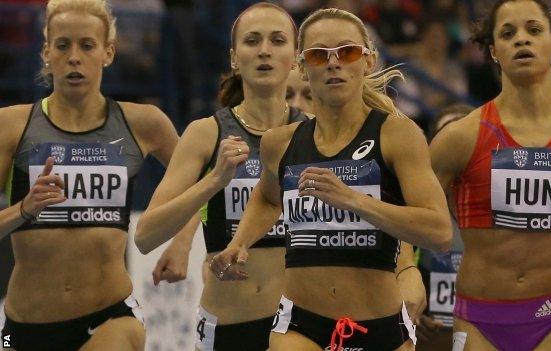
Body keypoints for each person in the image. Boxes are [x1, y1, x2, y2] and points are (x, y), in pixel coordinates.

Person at [210, 8, 452, 351]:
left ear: (368, 61)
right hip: (300, 324)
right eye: (319, 55)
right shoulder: (280, 143)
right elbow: (267, 197)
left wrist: (355, 201)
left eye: (347, 52)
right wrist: (240, 242)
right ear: (301, 66)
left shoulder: (397, 134)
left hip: (379, 328)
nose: (333, 63)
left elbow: (439, 232)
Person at [429, 1, 551, 350]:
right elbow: (409, 218)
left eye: (533, 30)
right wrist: (407, 278)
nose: (521, 40)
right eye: (508, 33)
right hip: (479, 321)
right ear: (493, 51)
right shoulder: (460, 139)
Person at [0, 0, 187, 350]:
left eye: (87, 45)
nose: (74, 57)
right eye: (62, 45)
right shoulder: (11, 126)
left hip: (110, 314)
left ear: (108, 52)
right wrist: (24, 209)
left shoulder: (143, 122)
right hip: (22, 326)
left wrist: (182, 243)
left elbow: (201, 186)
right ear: (46, 53)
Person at [133, 3, 307, 350]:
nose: (264, 50)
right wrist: (213, 180)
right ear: (233, 58)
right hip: (229, 323)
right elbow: (146, 236)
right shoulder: (206, 133)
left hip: (300, 326)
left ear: (295, 59)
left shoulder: (314, 131)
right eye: (252, 41)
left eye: (277, 40)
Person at [416, 104, 473, 351]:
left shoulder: (505, 210)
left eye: (464, 132)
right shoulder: (413, 207)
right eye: (447, 134)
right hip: (430, 341)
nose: (456, 143)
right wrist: (404, 311)